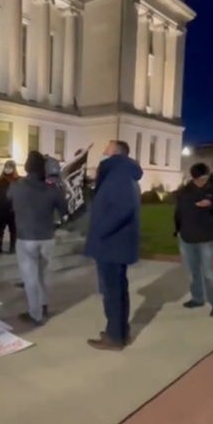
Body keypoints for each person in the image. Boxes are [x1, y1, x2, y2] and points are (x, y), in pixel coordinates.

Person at [84, 140, 143, 350]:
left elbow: (122, 209)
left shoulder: (118, 174)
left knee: (112, 292)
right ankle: (118, 331)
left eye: (107, 147)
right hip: (116, 243)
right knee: (117, 290)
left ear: (116, 153)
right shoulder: (121, 174)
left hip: (111, 244)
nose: (103, 150)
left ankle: (114, 337)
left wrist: (100, 232)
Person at [8, 151, 68, 324]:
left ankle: (35, 314)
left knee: (30, 278)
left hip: (26, 237)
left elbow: (7, 200)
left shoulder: (17, 186)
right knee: (42, 275)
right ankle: (43, 305)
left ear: (27, 167)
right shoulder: (52, 189)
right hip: (47, 237)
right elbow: (64, 210)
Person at [173, 163, 213, 317]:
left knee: (209, 273)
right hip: (187, 237)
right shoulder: (185, 191)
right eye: (198, 179)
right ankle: (197, 298)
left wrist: (212, 204)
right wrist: (178, 230)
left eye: (203, 179)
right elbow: (179, 211)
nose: (201, 182)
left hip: (207, 237)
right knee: (192, 272)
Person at [0, 159, 19, 254]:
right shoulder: (0, 180)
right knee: (0, 230)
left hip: (13, 210)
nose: (8, 169)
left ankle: (13, 247)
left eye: (10, 167)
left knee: (13, 230)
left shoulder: (18, 180)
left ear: (14, 169)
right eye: (6, 167)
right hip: (1, 209)